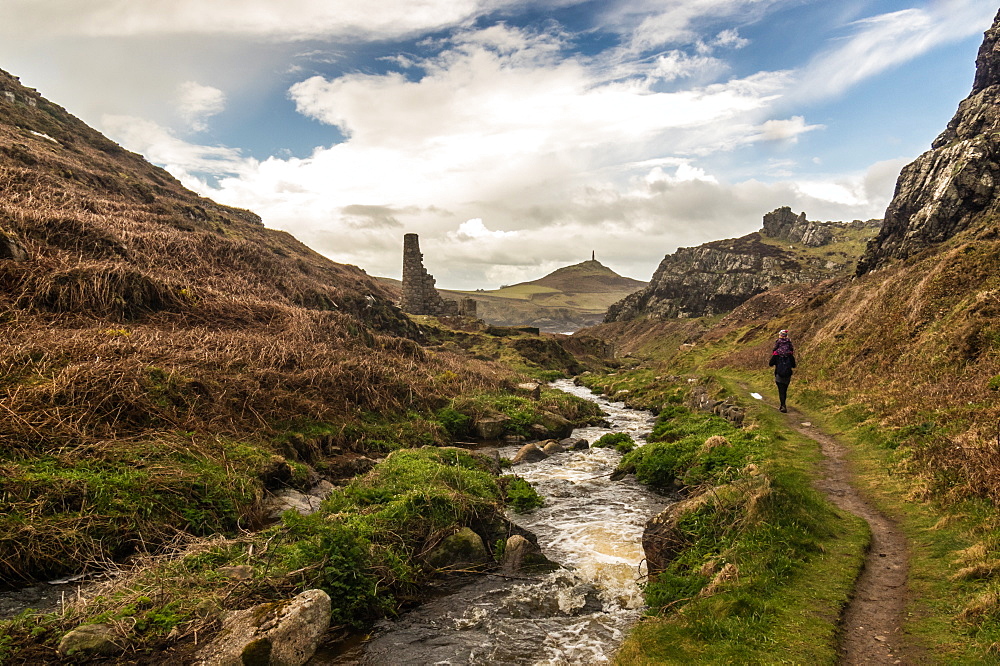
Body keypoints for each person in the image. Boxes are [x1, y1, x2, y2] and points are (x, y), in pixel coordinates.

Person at [769, 330, 796, 413]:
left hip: (779, 374)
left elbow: (770, 363)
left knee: (781, 390)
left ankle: (783, 405)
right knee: (785, 390)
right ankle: (783, 404)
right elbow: (794, 365)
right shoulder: (790, 354)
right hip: (787, 375)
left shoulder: (777, 354)